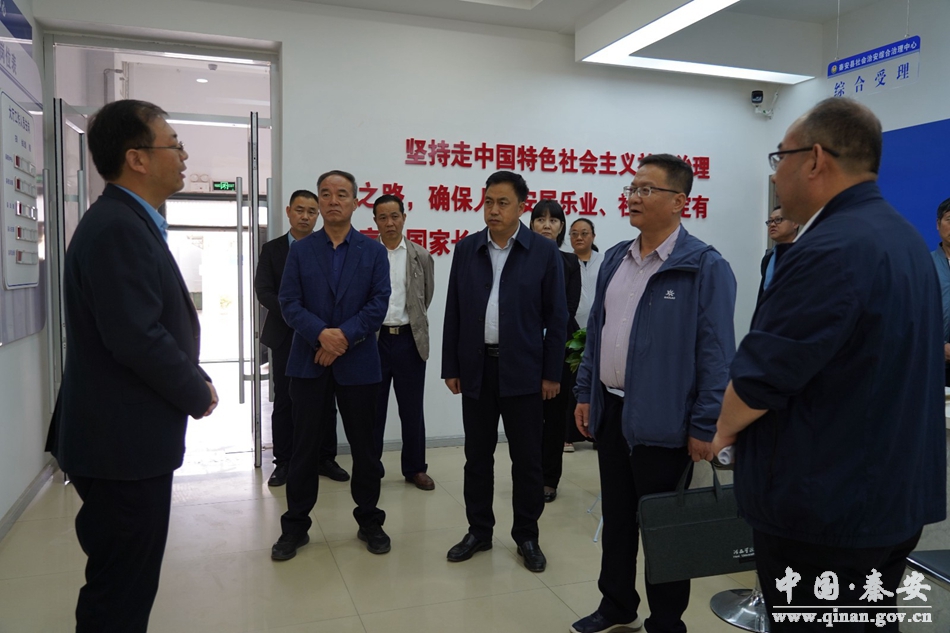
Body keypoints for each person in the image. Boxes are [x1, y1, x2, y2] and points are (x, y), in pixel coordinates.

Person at [712, 98, 947, 631]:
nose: (777, 175)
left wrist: (720, 431)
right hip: (887, 498)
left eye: (781, 158)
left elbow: (761, 377)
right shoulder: (905, 240)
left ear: (815, 159)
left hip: (824, 510)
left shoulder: (829, 249)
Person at [44, 99, 218, 633]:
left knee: (125, 579)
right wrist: (197, 391)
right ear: (137, 158)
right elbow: (137, 337)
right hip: (121, 445)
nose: (184, 156)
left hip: (122, 439)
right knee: (120, 590)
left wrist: (194, 376)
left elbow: (143, 326)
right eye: (174, 145)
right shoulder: (118, 227)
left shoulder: (128, 221)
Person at [572, 154, 737, 633]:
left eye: (647, 189)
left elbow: (716, 355)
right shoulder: (614, 259)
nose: (634, 197)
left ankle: (666, 621)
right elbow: (597, 333)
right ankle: (616, 604)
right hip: (611, 411)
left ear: (679, 201)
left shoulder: (704, 266)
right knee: (617, 519)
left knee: (665, 527)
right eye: (632, 188)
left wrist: (705, 424)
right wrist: (586, 392)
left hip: (666, 421)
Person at [442, 170, 567, 573]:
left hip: (524, 371)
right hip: (477, 369)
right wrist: (451, 366)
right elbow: (454, 311)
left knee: (527, 460)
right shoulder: (467, 248)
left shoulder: (543, 252)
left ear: (521, 207)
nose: (493, 210)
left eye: (503, 203)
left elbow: (557, 318)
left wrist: (552, 374)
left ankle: (527, 535)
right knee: (476, 457)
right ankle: (479, 530)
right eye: (488, 202)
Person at [271, 170, 392, 560]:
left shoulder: (373, 252)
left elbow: (378, 303)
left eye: (342, 194)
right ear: (319, 202)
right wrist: (322, 335)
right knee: (304, 448)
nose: (333, 200)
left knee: (365, 449)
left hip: (359, 364)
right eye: (326, 194)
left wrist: (342, 338)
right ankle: (295, 526)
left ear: (356, 202)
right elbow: (289, 303)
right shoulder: (301, 250)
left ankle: (370, 521)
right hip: (309, 362)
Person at [255, 190, 349, 487]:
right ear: (288, 212)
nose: (305, 216)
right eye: (300, 210)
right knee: (285, 398)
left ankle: (325, 457)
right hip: (286, 335)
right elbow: (264, 291)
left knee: (326, 399)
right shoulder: (272, 249)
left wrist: (317, 327)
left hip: (323, 337)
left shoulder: (328, 247)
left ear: (318, 214)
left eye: (311, 211)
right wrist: (298, 318)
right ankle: (284, 461)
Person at [371, 194, 436, 491]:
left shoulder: (420, 255)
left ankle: (415, 468)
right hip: (375, 341)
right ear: (375, 221)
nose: (390, 223)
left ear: (404, 218)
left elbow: (425, 296)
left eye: (394, 216)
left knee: (412, 409)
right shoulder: (368, 255)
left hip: (409, 341)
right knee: (373, 409)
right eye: (383, 217)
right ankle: (371, 465)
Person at [530, 199, 580, 502]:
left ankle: (549, 479)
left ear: (561, 227)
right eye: (540, 219)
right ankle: (529, 475)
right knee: (527, 420)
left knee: (554, 419)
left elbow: (567, 309)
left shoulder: (570, 262)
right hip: (525, 350)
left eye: (553, 220)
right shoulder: (519, 258)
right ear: (531, 224)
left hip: (558, 349)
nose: (546, 225)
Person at [566, 217, 603, 450]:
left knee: (598, 384)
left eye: (584, 233)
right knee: (571, 384)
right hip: (571, 331)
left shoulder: (605, 261)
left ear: (593, 236)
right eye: (574, 233)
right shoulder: (564, 261)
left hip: (600, 331)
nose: (579, 237)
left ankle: (597, 434)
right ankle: (568, 435)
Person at [757, 205, 799, 302]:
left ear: (795, 223)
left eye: (778, 220)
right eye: (770, 221)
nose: (772, 225)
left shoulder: (804, 253)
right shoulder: (768, 257)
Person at [931, 197, 950, 386]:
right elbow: (914, 314)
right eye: (949, 220)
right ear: (938, 224)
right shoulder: (924, 265)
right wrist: (938, 346)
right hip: (935, 362)